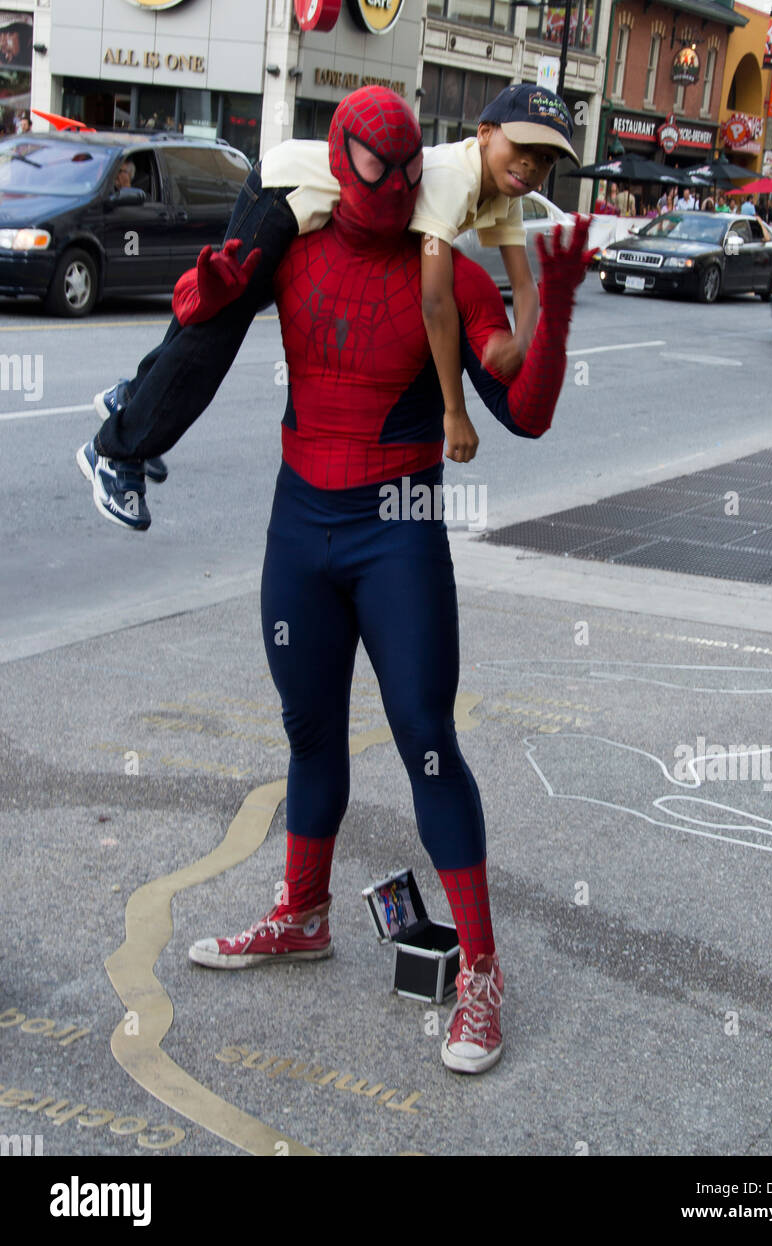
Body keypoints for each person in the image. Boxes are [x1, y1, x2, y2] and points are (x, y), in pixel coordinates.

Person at [165, 87, 595, 1075]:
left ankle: (480, 969)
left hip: (395, 526)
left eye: (410, 174)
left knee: (426, 741)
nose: (398, 189)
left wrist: (554, 309)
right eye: (378, 170)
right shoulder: (296, 243)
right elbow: (194, 331)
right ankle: (302, 913)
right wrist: (210, 282)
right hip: (298, 521)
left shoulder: (451, 267)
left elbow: (522, 414)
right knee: (308, 732)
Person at [249, 85, 578, 465]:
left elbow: (523, 285)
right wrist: (454, 412)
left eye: (546, 159)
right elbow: (436, 300)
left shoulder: (507, 194)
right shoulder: (455, 179)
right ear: (485, 133)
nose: (532, 165)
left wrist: (522, 343)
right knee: (218, 321)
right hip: (279, 184)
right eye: (522, 147)